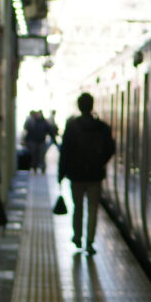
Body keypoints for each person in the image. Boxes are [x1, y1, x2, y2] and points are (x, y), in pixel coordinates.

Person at [57, 92, 116, 254]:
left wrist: (61, 173)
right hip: (95, 176)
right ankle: (90, 241)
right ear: (92, 105)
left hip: (76, 175)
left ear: (79, 106)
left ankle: (77, 236)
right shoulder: (102, 127)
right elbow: (110, 149)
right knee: (93, 209)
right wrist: (99, 163)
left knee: (77, 207)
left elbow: (65, 152)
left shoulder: (72, 127)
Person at [22, 109, 55, 173]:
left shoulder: (44, 122)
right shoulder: (32, 122)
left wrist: (53, 138)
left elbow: (50, 130)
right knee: (34, 156)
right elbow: (28, 131)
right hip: (34, 141)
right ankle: (35, 168)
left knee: (41, 156)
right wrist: (25, 140)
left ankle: (42, 168)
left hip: (41, 141)